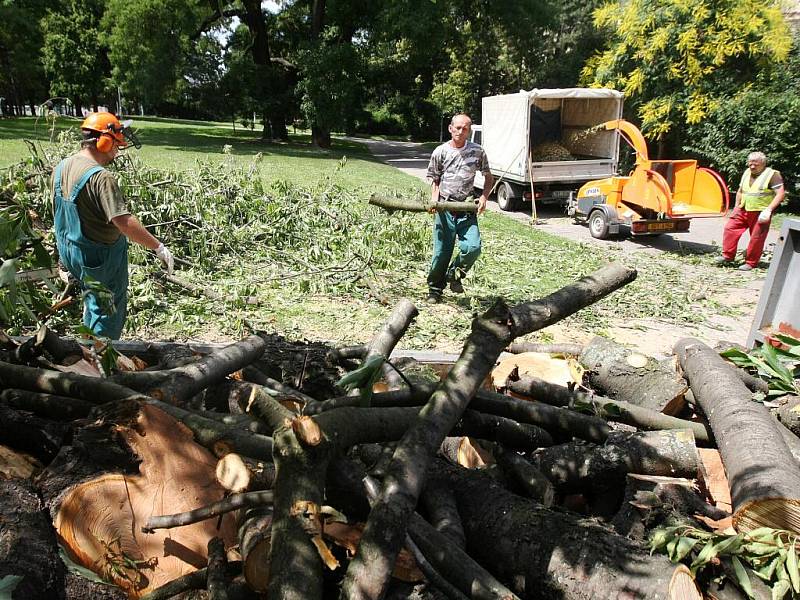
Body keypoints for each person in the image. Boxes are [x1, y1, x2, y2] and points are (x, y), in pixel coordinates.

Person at [52, 112, 174, 339]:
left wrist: (61, 256)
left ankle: (87, 346)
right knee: (108, 312)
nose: (117, 151)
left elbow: (58, 215)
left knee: (94, 302)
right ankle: (101, 364)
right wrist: (158, 247)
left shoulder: (62, 166)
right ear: (104, 141)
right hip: (99, 259)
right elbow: (124, 222)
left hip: (72, 252)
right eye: (116, 145)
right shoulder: (100, 177)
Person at [425, 113, 494, 302]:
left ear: (469, 131)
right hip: (445, 208)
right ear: (450, 128)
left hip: (466, 208)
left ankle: (454, 275)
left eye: (465, 128)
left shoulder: (477, 151)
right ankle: (434, 290)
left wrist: (484, 197)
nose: (460, 131)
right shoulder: (440, 151)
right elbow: (435, 178)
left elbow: (489, 177)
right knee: (441, 253)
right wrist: (434, 200)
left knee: (473, 248)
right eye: (457, 127)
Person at [717, 152, 784, 271]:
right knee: (730, 229)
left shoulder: (772, 175)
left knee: (756, 237)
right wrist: (736, 207)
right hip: (743, 209)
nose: (752, 167)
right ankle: (727, 256)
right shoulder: (747, 172)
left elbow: (780, 193)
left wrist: (769, 210)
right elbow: (741, 190)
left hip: (760, 211)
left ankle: (751, 263)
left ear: (763, 164)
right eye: (750, 164)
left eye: (756, 164)